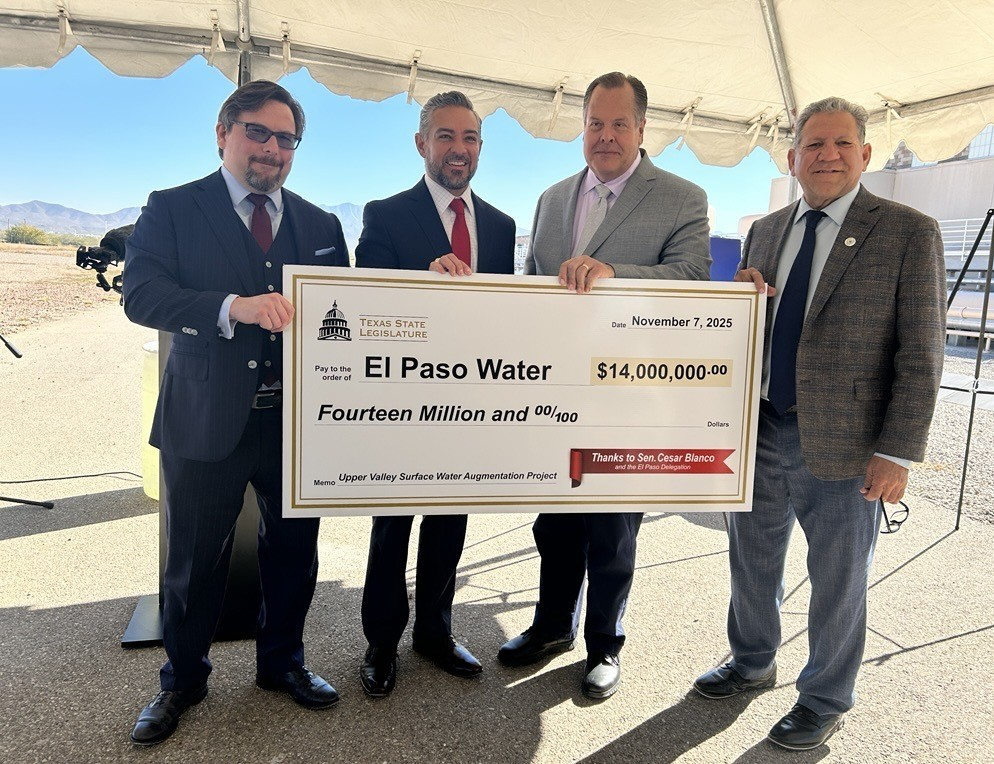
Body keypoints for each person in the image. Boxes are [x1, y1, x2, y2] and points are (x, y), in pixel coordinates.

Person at [693, 97, 946, 750]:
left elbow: (921, 353)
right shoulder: (767, 230)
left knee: (838, 577)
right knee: (751, 560)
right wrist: (738, 302)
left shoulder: (907, 230)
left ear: (865, 154)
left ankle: (825, 698)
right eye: (814, 145)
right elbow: (752, 327)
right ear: (793, 157)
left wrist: (897, 452)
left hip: (848, 444)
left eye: (841, 144)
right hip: (762, 427)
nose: (827, 155)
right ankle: (752, 662)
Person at [122, 80, 349, 746]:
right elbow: (143, 295)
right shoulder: (172, 207)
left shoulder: (322, 224)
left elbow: (346, 316)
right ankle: (182, 682)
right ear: (223, 133)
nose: (272, 149)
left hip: (294, 425)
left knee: (295, 552)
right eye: (258, 131)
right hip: (203, 416)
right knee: (194, 560)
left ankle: (283, 665)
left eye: (286, 139)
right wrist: (232, 307)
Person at [499, 72, 711, 699]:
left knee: (613, 528)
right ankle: (551, 627)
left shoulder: (682, 197)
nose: (606, 135)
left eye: (620, 124)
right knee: (553, 522)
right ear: (582, 127)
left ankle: (605, 645)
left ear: (644, 129)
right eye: (596, 122)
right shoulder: (551, 198)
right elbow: (535, 286)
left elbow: (694, 276)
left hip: (631, 394)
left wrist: (613, 272)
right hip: (556, 396)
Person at [354, 90, 516, 697]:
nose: (458, 149)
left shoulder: (500, 226)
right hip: (402, 401)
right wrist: (421, 281)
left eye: (470, 138)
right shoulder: (386, 213)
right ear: (422, 144)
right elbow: (363, 294)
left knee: (450, 523)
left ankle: (435, 634)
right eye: (445, 136)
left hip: (468, 404)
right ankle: (379, 642)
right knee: (392, 526)